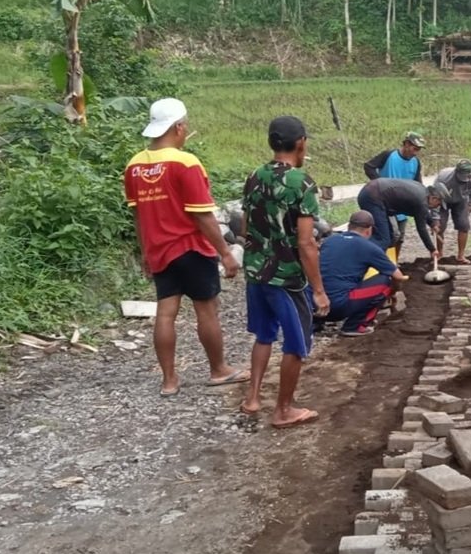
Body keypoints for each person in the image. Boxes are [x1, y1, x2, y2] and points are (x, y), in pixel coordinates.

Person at [124, 97, 245, 398]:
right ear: (179, 127)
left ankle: (169, 380)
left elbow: (138, 215)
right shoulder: (185, 162)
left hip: (159, 250)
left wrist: (145, 252)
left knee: (166, 313)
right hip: (191, 247)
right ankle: (219, 370)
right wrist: (226, 252)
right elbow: (202, 214)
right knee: (207, 310)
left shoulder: (134, 166)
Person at [240, 116, 329, 429]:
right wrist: (318, 289)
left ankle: (252, 398)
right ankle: (283, 410)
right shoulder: (301, 183)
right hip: (286, 278)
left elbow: (247, 226)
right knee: (296, 343)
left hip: (256, 272)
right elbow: (306, 244)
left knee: (264, 335)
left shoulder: (254, 176)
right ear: (301, 142)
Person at [315, 210, 408, 337]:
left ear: (348, 226)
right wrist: (392, 292)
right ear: (369, 230)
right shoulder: (369, 247)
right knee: (386, 281)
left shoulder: (329, 242)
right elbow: (398, 276)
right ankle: (355, 325)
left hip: (316, 304)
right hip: (338, 308)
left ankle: (316, 322)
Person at [363, 131, 425, 256]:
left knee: (399, 237)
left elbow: (418, 184)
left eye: (418, 149)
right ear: (407, 144)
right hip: (386, 203)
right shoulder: (389, 155)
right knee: (388, 236)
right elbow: (369, 166)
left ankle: (394, 263)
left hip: (403, 205)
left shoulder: (416, 163)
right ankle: (380, 260)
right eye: (415, 148)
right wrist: (378, 182)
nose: (416, 152)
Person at [356, 178, 449, 257]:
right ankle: (359, 256)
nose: (437, 207)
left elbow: (423, 214)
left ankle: (382, 263)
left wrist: (432, 224)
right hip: (372, 197)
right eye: (439, 204)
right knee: (383, 239)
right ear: (434, 198)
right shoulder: (421, 202)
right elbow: (421, 229)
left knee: (391, 237)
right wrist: (432, 249)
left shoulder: (422, 192)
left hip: (375, 192)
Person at [434, 159, 471, 264]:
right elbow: (434, 197)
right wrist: (435, 217)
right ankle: (439, 253)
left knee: (464, 226)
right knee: (439, 227)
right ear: (456, 171)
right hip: (442, 201)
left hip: (461, 201)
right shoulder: (444, 178)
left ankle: (461, 255)